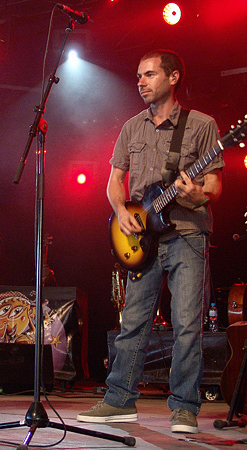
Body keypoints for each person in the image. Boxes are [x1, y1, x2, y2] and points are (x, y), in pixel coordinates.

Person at [76, 49, 223, 433]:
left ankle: (184, 408)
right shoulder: (131, 128)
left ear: (173, 78)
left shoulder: (201, 125)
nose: (140, 81)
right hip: (143, 239)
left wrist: (194, 195)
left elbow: (213, 185)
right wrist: (122, 212)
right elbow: (114, 181)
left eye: (149, 74)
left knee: (187, 323)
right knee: (134, 321)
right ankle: (119, 400)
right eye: (138, 75)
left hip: (187, 235)